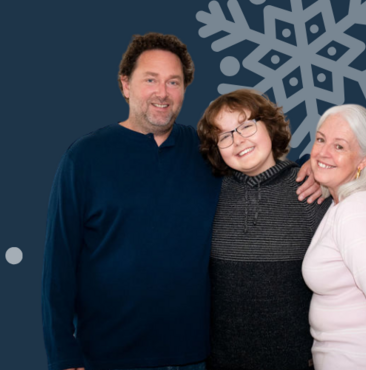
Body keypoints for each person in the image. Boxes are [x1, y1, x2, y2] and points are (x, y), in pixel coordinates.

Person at [42, 33, 321, 370]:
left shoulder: (205, 152)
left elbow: (256, 163)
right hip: (108, 355)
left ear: (185, 89)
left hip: (194, 356)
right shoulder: (84, 158)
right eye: (150, 80)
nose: (162, 92)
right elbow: (58, 264)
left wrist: (317, 167)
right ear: (125, 84)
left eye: (173, 81)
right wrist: (62, 351)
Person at [197, 89, 330, 370]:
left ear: (269, 125)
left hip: (297, 360)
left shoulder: (310, 191)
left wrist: (327, 176)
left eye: (246, 125)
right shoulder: (210, 194)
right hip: (222, 361)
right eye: (224, 135)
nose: (238, 140)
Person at [302, 104, 366, 369]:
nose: (323, 152)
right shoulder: (340, 203)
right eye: (320, 140)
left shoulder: (354, 210)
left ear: (362, 161)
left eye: (339, 146)